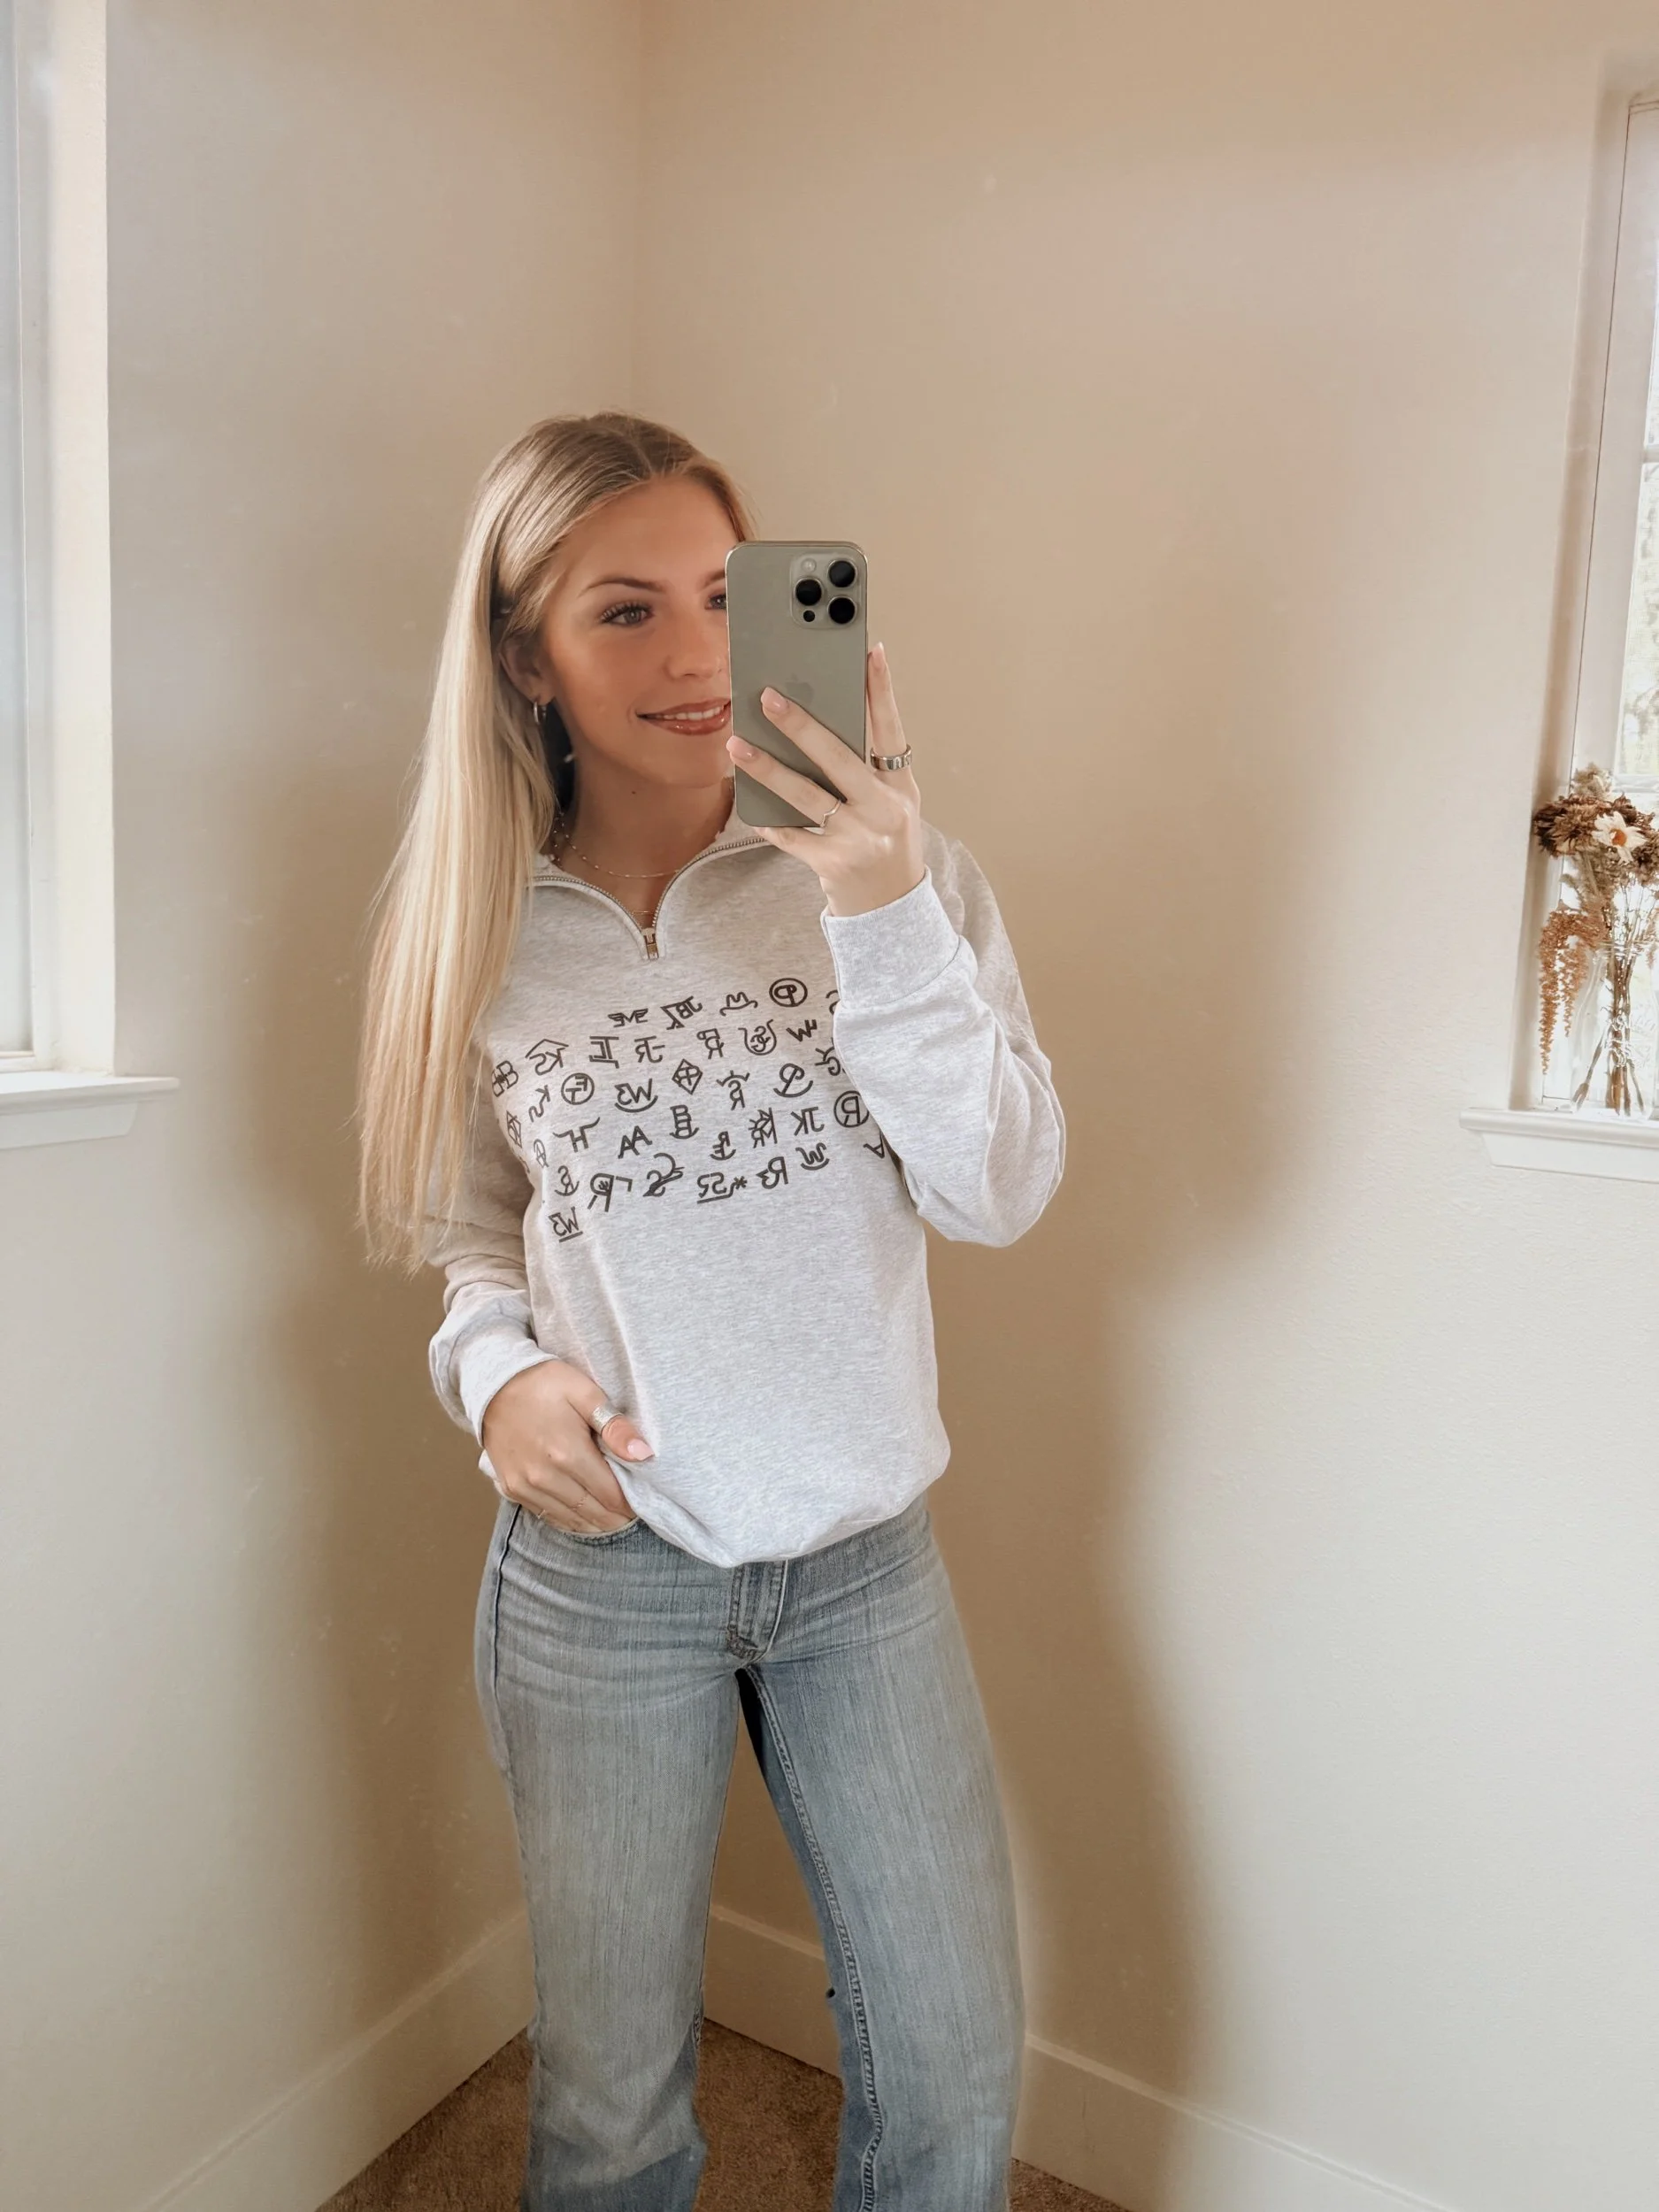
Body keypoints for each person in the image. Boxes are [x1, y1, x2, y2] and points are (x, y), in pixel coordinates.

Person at [357, 411, 1065, 2212]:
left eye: (723, 598)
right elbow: (471, 1231)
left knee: (951, 2070)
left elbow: (997, 1189)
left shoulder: (900, 880)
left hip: (863, 1561)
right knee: (607, 2107)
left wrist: (881, 906)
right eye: (624, 610)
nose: (693, 655)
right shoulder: (477, 925)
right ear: (526, 655)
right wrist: (496, 1374)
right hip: (605, 1569)